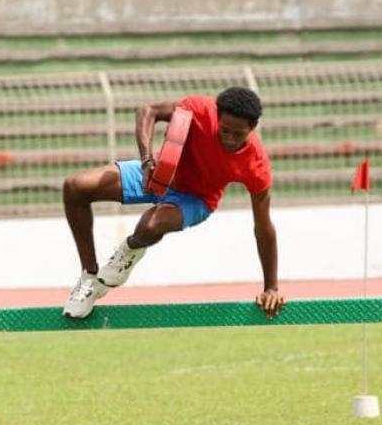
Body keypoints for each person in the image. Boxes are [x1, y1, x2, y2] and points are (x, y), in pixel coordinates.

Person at [61, 87, 284, 320]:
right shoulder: (200, 109)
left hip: (195, 199)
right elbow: (148, 111)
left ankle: (129, 250)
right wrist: (147, 161)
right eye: (224, 130)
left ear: (253, 128)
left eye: (238, 135)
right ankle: (89, 277)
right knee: (75, 187)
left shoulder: (256, 165)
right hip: (159, 174)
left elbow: (263, 227)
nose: (229, 139)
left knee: (150, 226)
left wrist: (271, 288)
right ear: (216, 116)